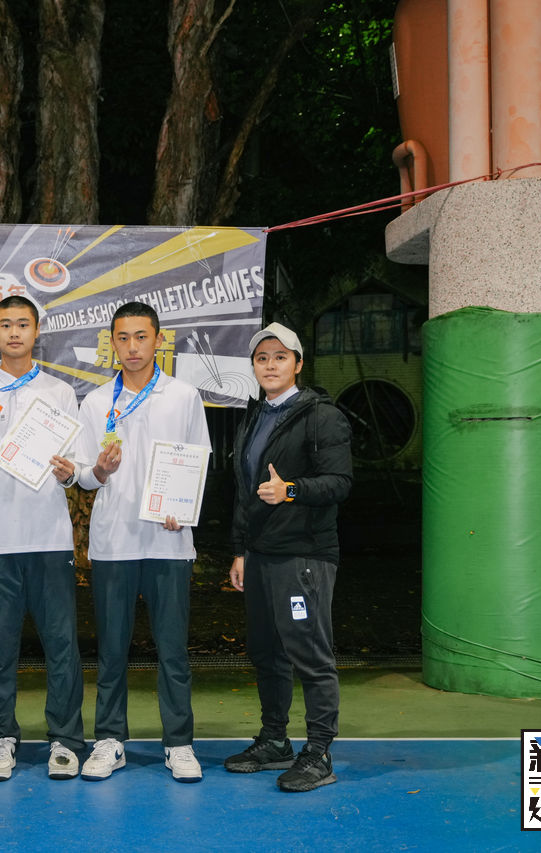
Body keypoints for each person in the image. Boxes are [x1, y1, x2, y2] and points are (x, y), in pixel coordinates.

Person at [73, 301, 209, 783]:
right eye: (123, 338)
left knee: (173, 650)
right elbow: (83, 476)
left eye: (141, 337)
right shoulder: (95, 402)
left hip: (169, 543)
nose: (132, 347)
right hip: (114, 543)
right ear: (112, 343)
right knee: (112, 650)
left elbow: (198, 459)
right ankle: (110, 740)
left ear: (158, 340)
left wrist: (183, 506)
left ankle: (179, 743)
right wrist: (99, 470)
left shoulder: (183, 396)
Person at [0, 295, 85, 782]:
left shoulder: (59, 392)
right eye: (6, 325)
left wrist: (70, 472)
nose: (14, 333)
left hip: (50, 538)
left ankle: (66, 740)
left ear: (36, 332)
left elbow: (74, 468)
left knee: (61, 645)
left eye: (23, 324)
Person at [225, 321, 352, 792]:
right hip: (261, 555)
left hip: (304, 555)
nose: (270, 365)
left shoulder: (322, 416)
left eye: (280, 357)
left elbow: (339, 482)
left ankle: (318, 752)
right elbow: (245, 492)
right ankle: (275, 740)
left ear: (298, 364)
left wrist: (291, 490)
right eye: (262, 358)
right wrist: (240, 550)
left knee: (310, 654)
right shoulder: (256, 415)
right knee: (267, 653)